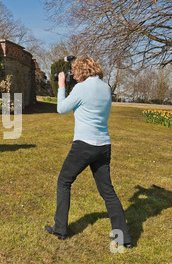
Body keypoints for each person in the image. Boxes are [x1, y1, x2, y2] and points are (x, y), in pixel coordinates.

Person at [45, 56, 132, 248]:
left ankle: (60, 229)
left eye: (75, 72)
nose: (73, 76)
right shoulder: (106, 87)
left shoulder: (81, 88)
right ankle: (123, 237)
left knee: (64, 181)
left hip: (84, 145)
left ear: (80, 71)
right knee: (107, 191)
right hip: (103, 145)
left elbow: (61, 109)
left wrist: (61, 85)